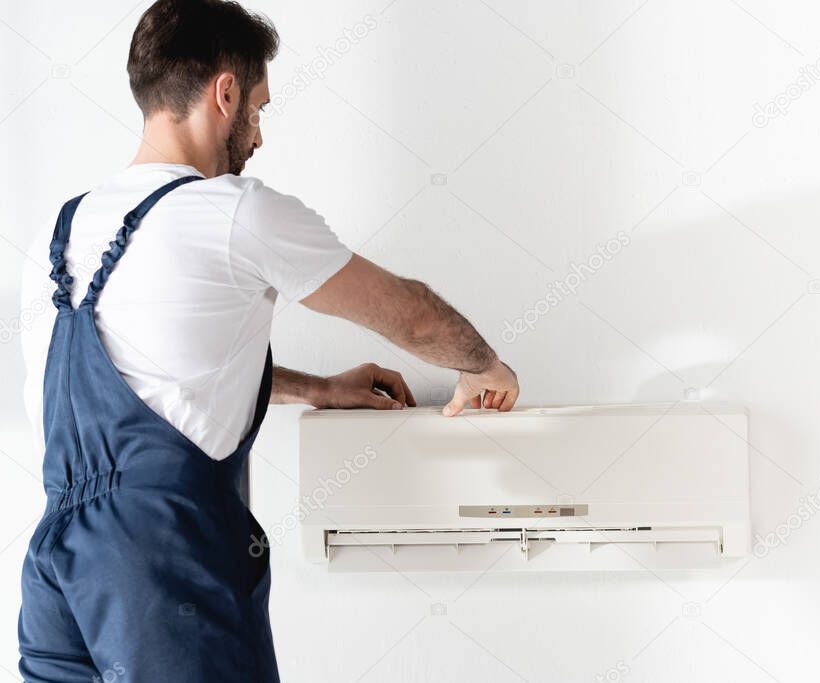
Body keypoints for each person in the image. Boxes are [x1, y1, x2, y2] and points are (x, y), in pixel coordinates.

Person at [17, 0, 519, 680]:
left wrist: (316, 387)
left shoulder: (64, 229)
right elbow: (407, 314)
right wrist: (483, 366)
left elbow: (162, 369)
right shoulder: (236, 214)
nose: (258, 135)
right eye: (258, 107)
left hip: (54, 571)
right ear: (224, 93)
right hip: (161, 563)